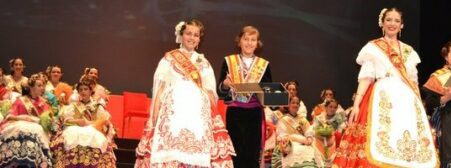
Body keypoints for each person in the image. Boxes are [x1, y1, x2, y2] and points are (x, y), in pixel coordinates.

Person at [332, 7, 438, 167]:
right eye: (389, 20)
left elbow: (413, 82)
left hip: (406, 101)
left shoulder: (409, 51)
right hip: (382, 97)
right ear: (382, 23)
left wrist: (419, 108)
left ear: (402, 25)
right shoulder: (373, 48)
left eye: (397, 21)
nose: (392, 24)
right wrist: (356, 103)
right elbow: (367, 77)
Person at [135, 19, 235, 167]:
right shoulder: (169, 59)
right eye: (189, 33)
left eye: (196, 35)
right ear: (181, 35)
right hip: (172, 116)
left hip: (196, 118)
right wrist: (154, 117)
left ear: (200, 39)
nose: (192, 38)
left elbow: (210, 93)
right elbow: (160, 89)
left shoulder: (204, 63)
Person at [218, 25, 272, 168]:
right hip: (235, 114)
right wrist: (225, 84)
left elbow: (269, 95)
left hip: (254, 114)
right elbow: (220, 91)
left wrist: (261, 91)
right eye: (246, 39)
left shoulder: (263, 65)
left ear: (257, 43)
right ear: (239, 41)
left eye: (253, 40)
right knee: (236, 154)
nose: (249, 43)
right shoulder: (229, 61)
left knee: (252, 155)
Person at [50, 76, 117, 167]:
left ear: (91, 91)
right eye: (80, 89)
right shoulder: (73, 106)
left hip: (93, 131)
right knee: (71, 135)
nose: (83, 91)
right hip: (75, 130)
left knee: (93, 135)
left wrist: (88, 123)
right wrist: (77, 121)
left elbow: (103, 123)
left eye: (85, 89)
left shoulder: (98, 107)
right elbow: (66, 120)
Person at [0, 73, 52, 167]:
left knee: (35, 130)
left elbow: (47, 122)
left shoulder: (44, 103)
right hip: (19, 125)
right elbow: (9, 117)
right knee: (21, 129)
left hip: (36, 128)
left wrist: (35, 120)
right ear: (31, 87)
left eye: (42, 86)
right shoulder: (20, 100)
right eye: (39, 85)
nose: (42, 88)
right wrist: (21, 117)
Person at [271, 96, 324, 168]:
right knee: (296, 150)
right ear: (288, 105)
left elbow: (309, 132)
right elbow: (282, 135)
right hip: (289, 144)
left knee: (310, 150)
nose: (295, 105)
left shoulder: (303, 119)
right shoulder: (283, 120)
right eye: (293, 103)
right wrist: (296, 139)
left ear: (299, 106)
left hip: (304, 143)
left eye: (297, 103)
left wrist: (309, 139)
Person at [310, 98, 346, 166]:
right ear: (326, 107)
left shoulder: (338, 118)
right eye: (330, 107)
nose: (332, 109)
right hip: (320, 140)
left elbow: (342, 129)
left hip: (333, 142)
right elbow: (314, 128)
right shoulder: (320, 117)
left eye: (335, 107)